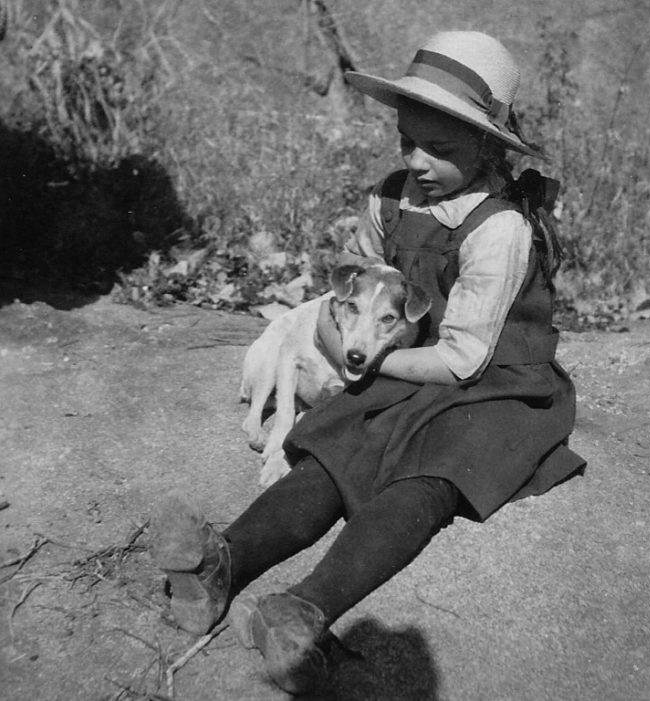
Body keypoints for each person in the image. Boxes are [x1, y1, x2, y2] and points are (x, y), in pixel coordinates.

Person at [150, 30, 586, 696]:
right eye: (407, 140)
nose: (417, 160)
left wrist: (375, 366)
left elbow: (466, 357)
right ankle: (223, 563)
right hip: (409, 354)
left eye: (440, 149)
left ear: (488, 147)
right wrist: (342, 329)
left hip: (492, 383)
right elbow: (360, 272)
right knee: (333, 450)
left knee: (431, 476)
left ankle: (305, 606)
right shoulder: (393, 197)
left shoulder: (498, 228)